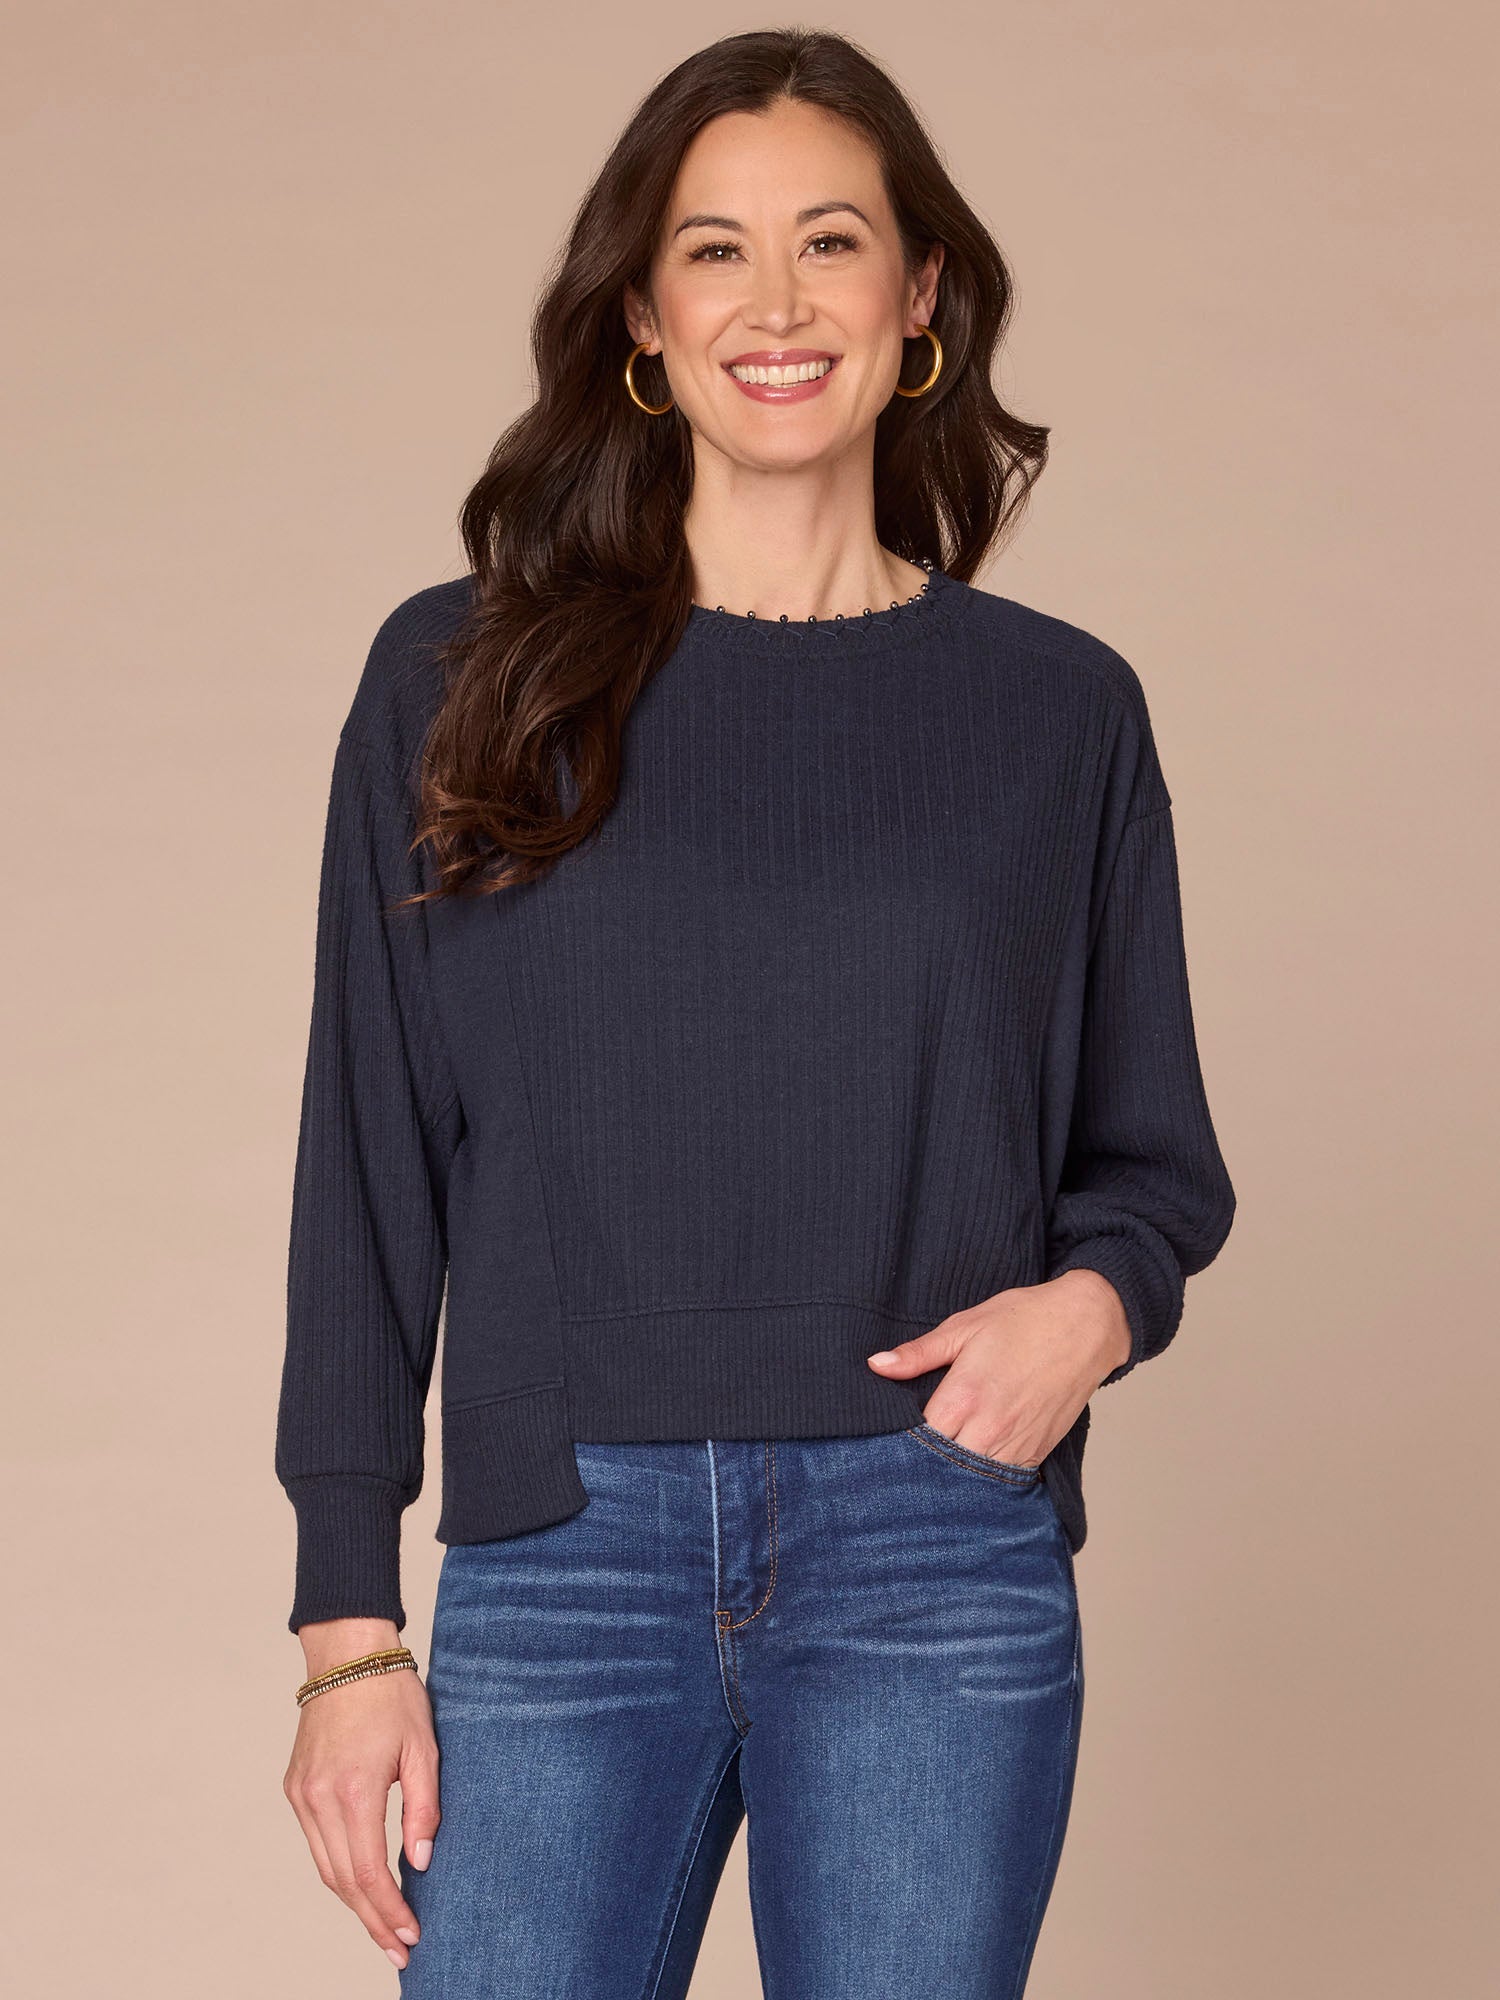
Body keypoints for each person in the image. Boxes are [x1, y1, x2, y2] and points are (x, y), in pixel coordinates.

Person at [275, 27, 1236, 1997]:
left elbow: (1152, 1165)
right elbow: (366, 1165)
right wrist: (344, 1628)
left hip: (930, 1551)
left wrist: (1089, 1313)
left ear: (921, 295)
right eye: (715, 250)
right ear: (643, 311)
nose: (776, 304)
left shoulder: (1058, 712)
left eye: (832, 243)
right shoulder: (459, 680)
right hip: (562, 1551)